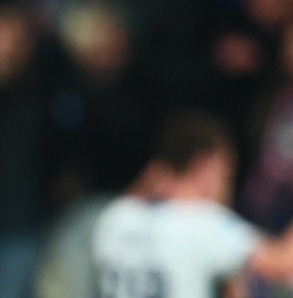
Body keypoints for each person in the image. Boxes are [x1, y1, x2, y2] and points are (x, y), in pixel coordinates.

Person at [91, 109, 293, 298]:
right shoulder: (205, 223)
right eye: (225, 175)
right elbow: (283, 264)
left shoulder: (114, 217)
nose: (226, 189)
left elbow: (139, 191)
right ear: (203, 165)